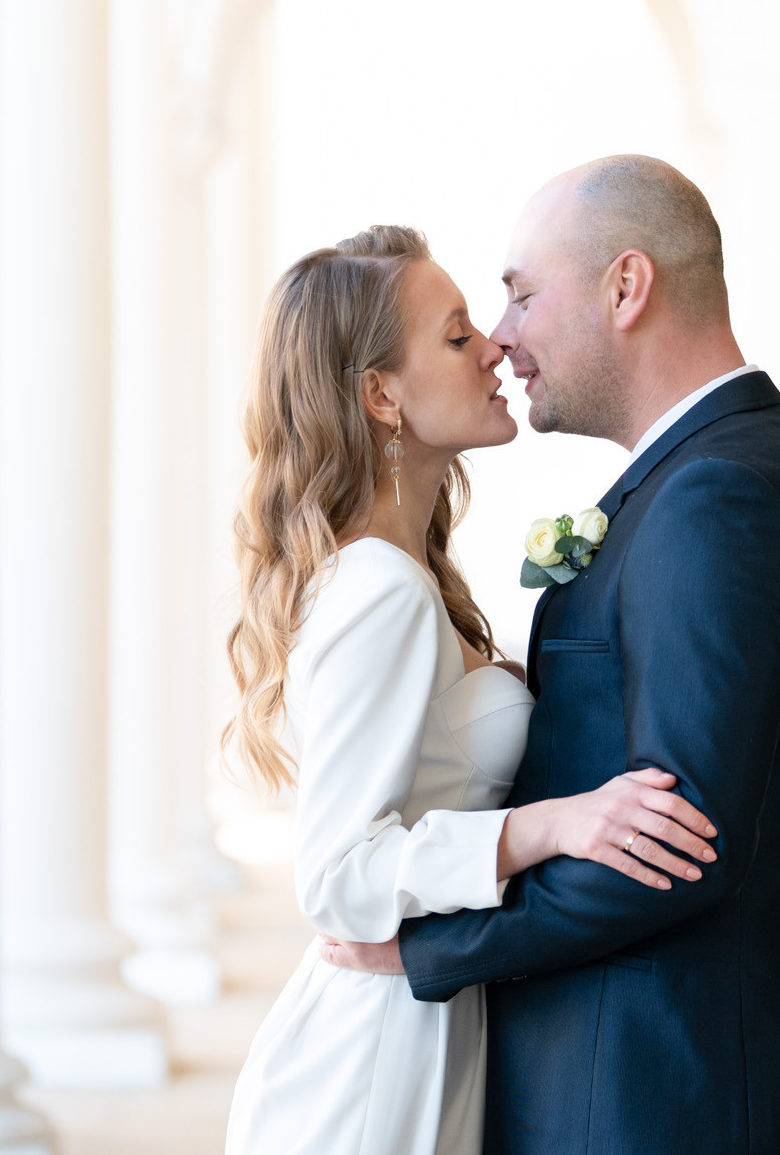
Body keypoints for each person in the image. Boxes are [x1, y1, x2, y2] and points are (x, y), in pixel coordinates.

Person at [322, 157, 780, 1154]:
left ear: (625, 287)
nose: (501, 337)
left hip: (659, 1095)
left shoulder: (714, 499)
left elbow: (678, 842)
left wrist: (427, 947)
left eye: (520, 294)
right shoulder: (710, 476)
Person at [222, 223, 719, 1155]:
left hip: (427, 1030)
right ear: (381, 396)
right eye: (456, 337)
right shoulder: (381, 591)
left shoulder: (404, 573)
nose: (494, 345)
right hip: (372, 1066)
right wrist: (550, 825)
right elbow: (337, 880)